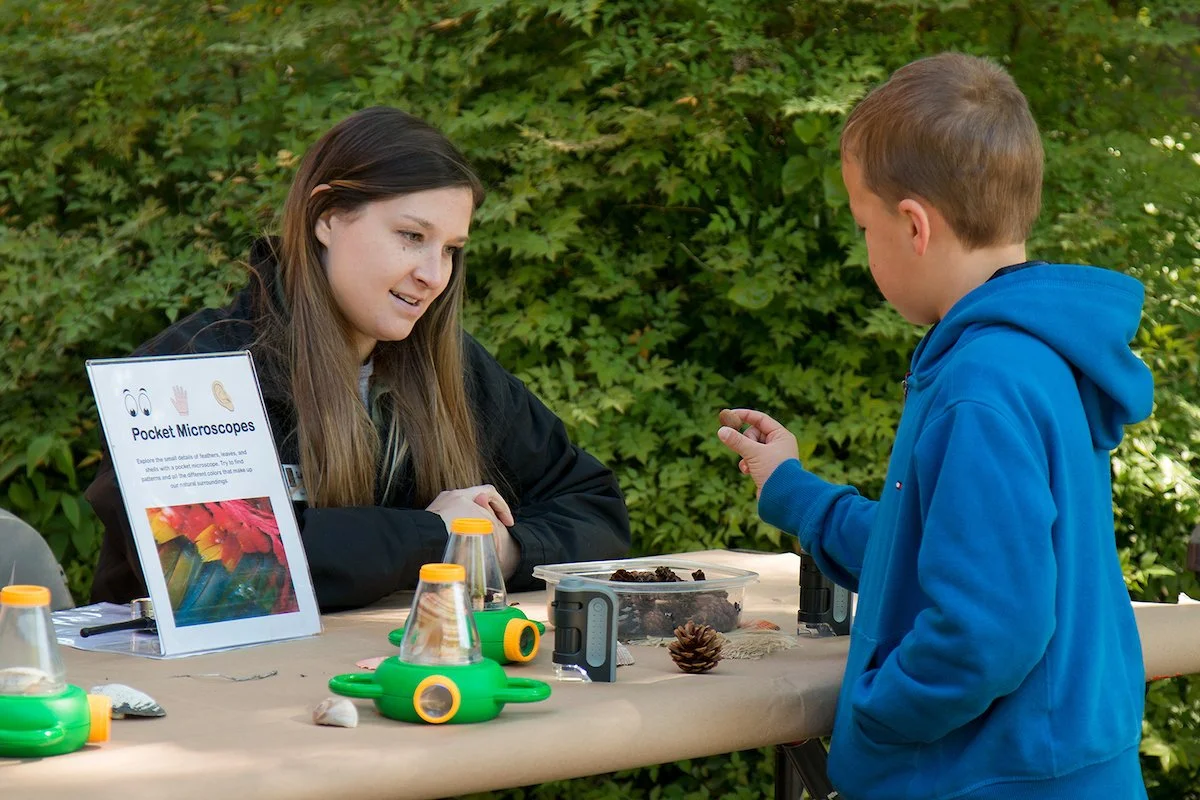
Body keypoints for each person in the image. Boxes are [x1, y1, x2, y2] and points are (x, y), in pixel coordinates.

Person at [717, 53, 1152, 799]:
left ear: (914, 225)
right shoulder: (1034, 358)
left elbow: (989, 633)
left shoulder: (981, 384)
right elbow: (936, 553)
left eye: (864, 226)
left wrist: (877, 716)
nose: (866, 249)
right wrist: (793, 489)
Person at [87, 107, 630, 611]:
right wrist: (433, 537)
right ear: (327, 217)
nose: (434, 275)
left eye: (449, 249)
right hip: (191, 697)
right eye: (411, 236)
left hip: (398, 681)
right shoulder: (192, 373)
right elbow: (228, 576)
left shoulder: (452, 368)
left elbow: (595, 510)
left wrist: (496, 550)